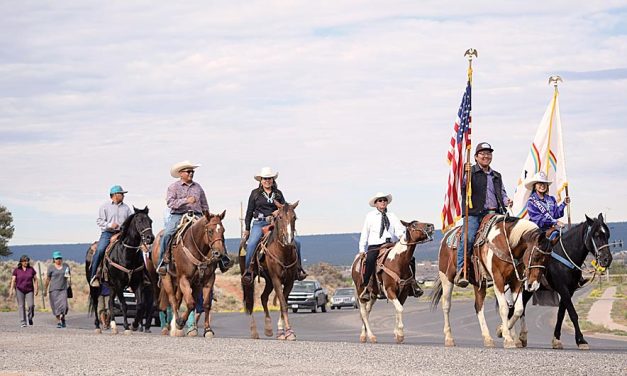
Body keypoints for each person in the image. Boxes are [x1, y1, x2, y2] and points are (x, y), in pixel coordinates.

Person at [158, 160, 230, 274]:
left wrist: (208, 216)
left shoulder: (198, 187)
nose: (191, 173)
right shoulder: (173, 187)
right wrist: (186, 201)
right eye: (188, 171)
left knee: (216, 230)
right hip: (179, 214)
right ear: (181, 173)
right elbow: (170, 203)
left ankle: (223, 259)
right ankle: (162, 262)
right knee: (167, 233)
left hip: (197, 215)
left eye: (192, 172)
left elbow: (204, 204)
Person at [456, 142, 512, 288]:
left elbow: (502, 193)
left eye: (489, 153)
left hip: (496, 212)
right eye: (482, 153)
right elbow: (461, 188)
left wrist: (507, 201)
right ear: (475, 157)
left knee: (511, 235)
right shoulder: (470, 173)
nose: (486, 156)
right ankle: (462, 270)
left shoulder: (496, 175)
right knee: (468, 238)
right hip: (475, 213)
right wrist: (465, 173)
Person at [242, 167, 307, 284]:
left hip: (276, 223)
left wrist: (280, 211)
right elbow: (249, 212)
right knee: (252, 243)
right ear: (261, 180)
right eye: (265, 178)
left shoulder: (278, 193)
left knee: (296, 242)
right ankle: (248, 271)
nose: (267, 181)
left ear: (273, 180)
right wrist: (247, 229)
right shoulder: (255, 194)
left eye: (270, 178)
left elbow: (285, 209)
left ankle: (298, 268)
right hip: (259, 223)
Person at [357, 192, 422, 300]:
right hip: (376, 245)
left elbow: (399, 230)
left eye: (384, 200)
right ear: (376, 203)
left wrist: (403, 237)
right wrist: (362, 249)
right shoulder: (370, 216)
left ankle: (412, 284)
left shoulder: (392, 216)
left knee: (410, 259)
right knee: (370, 260)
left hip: (391, 244)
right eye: (380, 200)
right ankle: (367, 287)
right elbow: (365, 233)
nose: (383, 202)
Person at [89, 185, 133, 287]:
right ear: (115, 195)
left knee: (134, 248)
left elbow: (130, 221)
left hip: (122, 234)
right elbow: (99, 221)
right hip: (108, 233)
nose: (123, 196)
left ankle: (138, 275)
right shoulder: (105, 207)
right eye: (121, 194)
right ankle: (95, 275)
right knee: (100, 250)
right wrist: (110, 225)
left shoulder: (126, 208)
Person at [525, 171, 570, 236]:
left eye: (544, 183)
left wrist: (564, 203)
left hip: (551, 230)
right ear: (535, 186)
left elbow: (556, 214)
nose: (542, 185)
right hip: (537, 232)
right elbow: (538, 219)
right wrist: (555, 222)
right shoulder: (531, 202)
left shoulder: (551, 199)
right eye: (540, 183)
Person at [8, 255, 38, 327]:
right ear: (21, 262)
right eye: (24, 261)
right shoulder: (17, 270)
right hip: (19, 289)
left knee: (31, 305)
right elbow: (13, 280)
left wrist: (36, 288)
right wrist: (11, 290)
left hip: (29, 290)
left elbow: (35, 279)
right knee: (21, 306)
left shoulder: (31, 269)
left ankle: (30, 317)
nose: (26, 262)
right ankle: (23, 322)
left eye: (27, 261)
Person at [44, 251, 71, 328]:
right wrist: (45, 290)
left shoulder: (66, 266)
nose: (58, 260)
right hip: (53, 290)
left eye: (59, 258)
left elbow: (68, 276)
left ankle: (63, 318)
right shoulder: (51, 268)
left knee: (64, 306)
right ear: (54, 259)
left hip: (63, 289)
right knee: (56, 307)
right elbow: (48, 279)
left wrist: (69, 284)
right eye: (57, 258)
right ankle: (59, 321)